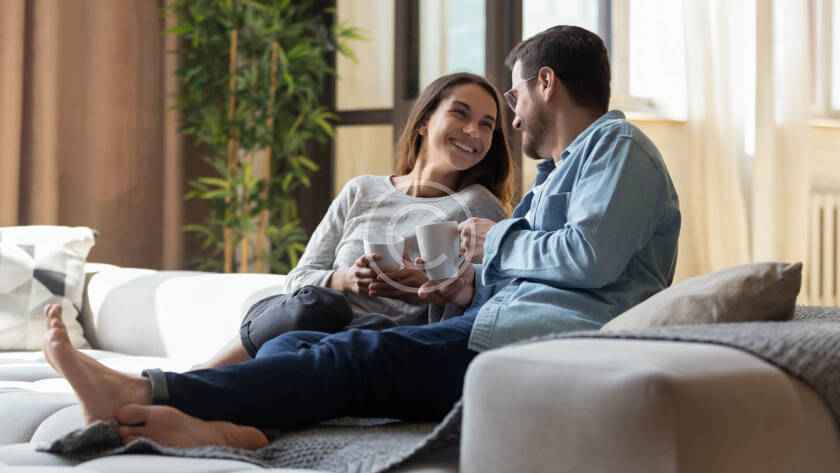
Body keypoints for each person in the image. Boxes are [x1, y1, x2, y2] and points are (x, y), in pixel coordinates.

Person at [42, 25, 681, 450]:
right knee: (299, 340)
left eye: (510, 99)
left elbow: (588, 258)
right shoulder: (556, 176)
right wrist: (454, 286)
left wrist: (494, 244)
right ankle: (231, 429)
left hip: (534, 343)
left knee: (353, 355)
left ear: (546, 83)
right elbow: (525, 269)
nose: (510, 120)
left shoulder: (616, 145)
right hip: (494, 326)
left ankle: (148, 390)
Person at [198, 72, 514, 369]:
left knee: (284, 350)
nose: (473, 131)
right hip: (314, 325)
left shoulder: (479, 207)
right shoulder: (362, 191)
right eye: (460, 113)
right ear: (423, 122)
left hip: (381, 345)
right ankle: (200, 376)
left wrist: (425, 285)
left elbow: (493, 302)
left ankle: (197, 382)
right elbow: (298, 279)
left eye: (486, 125)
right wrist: (345, 279)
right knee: (309, 310)